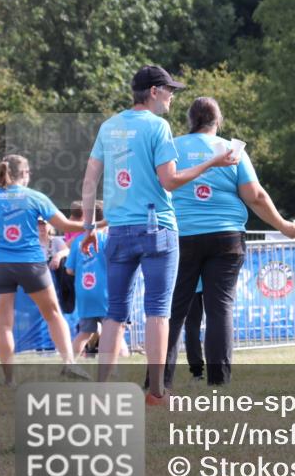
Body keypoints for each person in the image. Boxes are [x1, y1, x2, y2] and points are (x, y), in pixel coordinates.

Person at [79, 66, 238, 405]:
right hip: (157, 229)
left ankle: (101, 392)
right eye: (169, 89)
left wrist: (89, 227)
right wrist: (210, 164)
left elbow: (90, 180)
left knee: (115, 312)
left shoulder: (109, 126)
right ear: (153, 91)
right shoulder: (158, 126)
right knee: (157, 311)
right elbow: (170, 180)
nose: (172, 96)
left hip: (118, 230)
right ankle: (157, 393)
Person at [154, 96, 295, 390]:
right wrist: (284, 225)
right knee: (219, 308)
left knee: (173, 311)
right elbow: (256, 196)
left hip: (182, 236)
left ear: (189, 121)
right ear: (218, 121)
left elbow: (159, 187)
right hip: (226, 238)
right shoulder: (231, 150)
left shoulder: (172, 147)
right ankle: (219, 381)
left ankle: (161, 381)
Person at [0, 155, 91, 383]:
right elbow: (65, 225)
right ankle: (69, 364)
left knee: (3, 324)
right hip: (31, 264)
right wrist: (96, 224)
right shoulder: (35, 197)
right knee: (53, 314)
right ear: (26, 174)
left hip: (0, 265)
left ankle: (9, 379)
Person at [66, 204, 108, 358]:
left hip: (84, 293)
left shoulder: (78, 241)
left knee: (84, 332)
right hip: (104, 293)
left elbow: (69, 269)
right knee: (111, 332)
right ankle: (112, 367)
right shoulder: (107, 239)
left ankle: (68, 364)